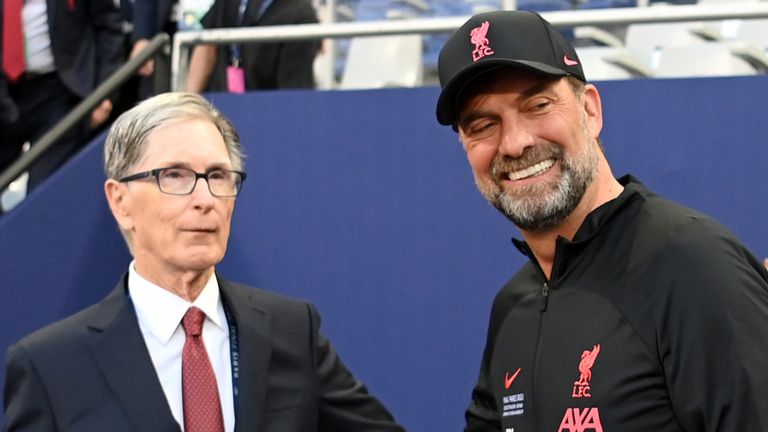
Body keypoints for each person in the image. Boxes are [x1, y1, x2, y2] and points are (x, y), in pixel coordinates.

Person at [434, 10, 768, 431]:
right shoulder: (512, 305)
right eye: (483, 125)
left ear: (590, 110)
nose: (516, 143)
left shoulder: (693, 266)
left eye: (537, 105)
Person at [3, 92, 406, 431]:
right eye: (174, 175)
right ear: (120, 201)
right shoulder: (49, 365)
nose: (205, 199)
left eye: (218, 176)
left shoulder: (291, 330)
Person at [0, 0, 124, 192]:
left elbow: (108, 26)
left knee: (43, 190)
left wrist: (104, 92)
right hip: (5, 95)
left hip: (57, 92)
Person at [185, 0, 319, 93]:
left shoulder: (301, 14)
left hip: (266, 111)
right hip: (220, 102)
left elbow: (292, 94)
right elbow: (206, 46)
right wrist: (190, 102)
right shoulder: (230, 3)